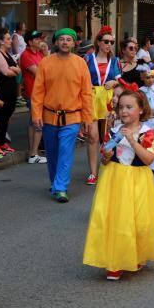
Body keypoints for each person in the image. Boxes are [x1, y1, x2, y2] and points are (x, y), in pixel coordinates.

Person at [83, 87, 154, 281]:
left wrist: (132, 140)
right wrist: (106, 157)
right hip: (115, 179)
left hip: (138, 181)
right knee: (114, 219)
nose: (124, 111)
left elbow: (148, 159)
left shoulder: (148, 133)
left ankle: (136, 254)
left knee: (139, 222)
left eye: (129, 107)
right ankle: (115, 262)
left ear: (141, 109)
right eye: (121, 107)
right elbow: (105, 158)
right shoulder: (112, 131)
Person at [31, 28, 94, 203]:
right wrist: (36, 114)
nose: (65, 42)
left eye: (69, 39)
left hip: (72, 117)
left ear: (74, 43)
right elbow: (38, 92)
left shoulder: (81, 64)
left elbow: (87, 94)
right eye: (62, 39)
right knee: (52, 153)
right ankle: (55, 182)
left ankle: (60, 187)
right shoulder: (45, 63)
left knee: (66, 152)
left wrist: (88, 118)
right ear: (56, 43)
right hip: (49, 116)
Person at [84, 26, 122, 185]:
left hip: (108, 100)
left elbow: (121, 83)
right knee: (93, 136)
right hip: (91, 99)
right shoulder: (87, 59)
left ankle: (106, 167)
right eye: (106, 41)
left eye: (112, 42)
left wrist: (114, 82)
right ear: (98, 42)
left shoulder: (115, 61)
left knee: (107, 137)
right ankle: (93, 172)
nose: (109, 44)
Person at [0, 27, 21, 154]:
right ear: (1, 41)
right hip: (2, 90)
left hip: (10, 90)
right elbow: (6, 72)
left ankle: (2, 142)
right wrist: (14, 69)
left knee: (6, 117)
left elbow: (18, 70)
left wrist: (14, 69)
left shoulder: (8, 54)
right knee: (1, 118)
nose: (10, 41)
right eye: (8, 39)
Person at [20, 30, 47, 164]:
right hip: (33, 93)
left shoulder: (39, 54)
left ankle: (33, 152)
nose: (39, 41)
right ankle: (33, 154)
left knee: (34, 123)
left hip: (40, 93)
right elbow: (39, 73)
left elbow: (47, 68)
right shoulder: (26, 55)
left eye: (39, 39)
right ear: (30, 42)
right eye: (36, 39)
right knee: (37, 123)